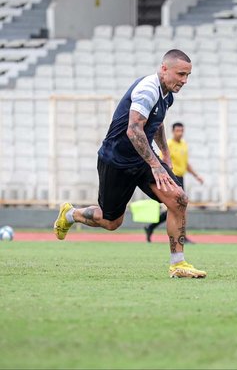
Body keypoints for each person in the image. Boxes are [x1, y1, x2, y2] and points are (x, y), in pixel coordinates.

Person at [53, 49, 206, 279]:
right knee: (111, 221)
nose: (184, 80)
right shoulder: (147, 89)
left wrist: (165, 153)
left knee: (179, 200)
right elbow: (134, 129)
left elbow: (157, 122)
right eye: (181, 74)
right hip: (117, 161)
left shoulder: (168, 94)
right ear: (164, 69)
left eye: (188, 75)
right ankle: (71, 214)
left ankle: (178, 264)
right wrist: (156, 165)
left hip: (142, 160)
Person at [144, 122, 204, 243]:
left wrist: (196, 176)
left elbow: (185, 164)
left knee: (177, 208)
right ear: (173, 131)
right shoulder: (169, 145)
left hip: (181, 178)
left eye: (181, 131)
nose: (180, 133)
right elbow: (162, 161)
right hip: (172, 178)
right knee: (179, 207)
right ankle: (181, 236)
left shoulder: (184, 145)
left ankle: (151, 227)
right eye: (177, 131)